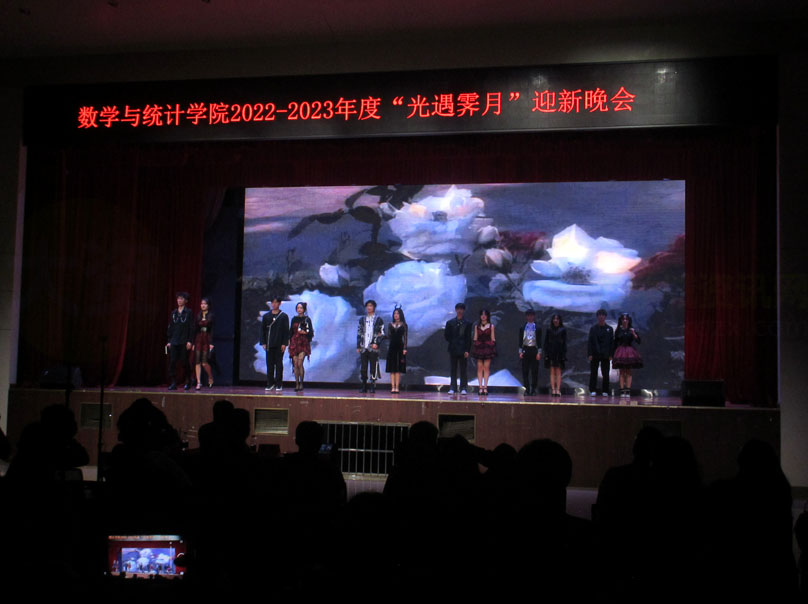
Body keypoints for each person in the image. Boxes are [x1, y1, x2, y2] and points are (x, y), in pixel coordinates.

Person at [260, 296, 289, 393]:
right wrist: (263, 342)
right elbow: (262, 330)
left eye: (276, 302)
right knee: (269, 364)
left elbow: (286, 331)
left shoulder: (283, 316)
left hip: (279, 344)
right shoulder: (266, 316)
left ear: (280, 303)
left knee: (279, 364)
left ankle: (279, 384)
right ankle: (270, 383)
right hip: (269, 343)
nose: (274, 304)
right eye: (272, 302)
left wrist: (284, 343)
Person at [166, 291, 194, 390]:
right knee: (172, 362)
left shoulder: (188, 312)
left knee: (184, 362)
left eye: (181, 299)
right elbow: (171, 327)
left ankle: (189, 380)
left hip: (184, 341)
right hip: (174, 341)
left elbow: (191, 327)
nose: (179, 300)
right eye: (178, 298)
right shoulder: (174, 313)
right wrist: (169, 341)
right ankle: (173, 382)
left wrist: (190, 341)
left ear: (185, 301)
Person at [357, 299, 384, 393]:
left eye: (371, 306)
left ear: (374, 307)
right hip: (364, 346)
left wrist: (376, 343)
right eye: (368, 306)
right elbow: (359, 332)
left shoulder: (378, 320)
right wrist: (358, 345)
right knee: (363, 367)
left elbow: (382, 333)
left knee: (373, 367)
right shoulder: (362, 319)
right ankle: (364, 385)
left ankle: (372, 385)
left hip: (373, 347)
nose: (369, 307)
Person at [444, 302, 472, 395]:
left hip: (463, 349)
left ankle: (463, 387)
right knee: (453, 369)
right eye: (458, 309)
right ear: (456, 310)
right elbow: (447, 336)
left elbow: (468, 338)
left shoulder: (468, 323)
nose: (460, 311)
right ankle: (453, 387)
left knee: (463, 369)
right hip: (453, 349)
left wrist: (467, 350)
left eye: (461, 309)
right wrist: (453, 342)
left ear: (464, 311)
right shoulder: (450, 323)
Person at [612, 313, 642, 398]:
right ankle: (622, 390)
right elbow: (615, 342)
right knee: (621, 371)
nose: (625, 320)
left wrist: (634, 334)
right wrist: (613, 353)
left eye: (626, 319)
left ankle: (628, 390)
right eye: (623, 319)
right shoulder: (618, 330)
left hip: (629, 351)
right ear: (621, 320)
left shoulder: (632, 330)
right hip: (620, 351)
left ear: (629, 320)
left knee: (628, 371)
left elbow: (639, 341)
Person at [588, 308, 614, 397]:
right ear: (597, 317)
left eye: (603, 315)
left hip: (605, 354)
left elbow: (611, 343)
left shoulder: (609, 329)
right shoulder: (593, 329)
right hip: (595, 353)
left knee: (606, 373)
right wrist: (590, 354)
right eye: (599, 315)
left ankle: (605, 390)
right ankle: (592, 390)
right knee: (593, 372)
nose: (601, 317)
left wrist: (611, 354)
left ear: (605, 317)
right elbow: (590, 342)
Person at [289, 301, 314, 391]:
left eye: (301, 308)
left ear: (304, 309)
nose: (299, 309)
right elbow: (291, 331)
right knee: (295, 364)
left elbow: (310, 332)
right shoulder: (294, 319)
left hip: (303, 343)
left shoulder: (307, 319)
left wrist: (305, 333)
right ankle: (296, 383)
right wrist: (289, 342)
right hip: (294, 342)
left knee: (300, 363)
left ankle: (301, 383)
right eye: (298, 308)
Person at [471, 308, 496, 395]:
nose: (483, 316)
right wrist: (476, 345)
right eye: (482, 314)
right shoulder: (477, 326)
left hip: (488, 348)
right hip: (479, 348)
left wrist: (491, 347)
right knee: (479, 368)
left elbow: (493, 338)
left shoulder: (491, 326)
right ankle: (480, 387)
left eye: (485, 314)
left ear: (488, 316)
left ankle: (485, 387)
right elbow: (475, 338)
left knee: (486, 368)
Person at [518, 309, 542, 396]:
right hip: (525, 349)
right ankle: (527, 389)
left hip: (534, 350)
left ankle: (533, 389)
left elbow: (540, 341)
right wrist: (520, 352)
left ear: (534, 316)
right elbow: (520, 341)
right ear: (526, 317)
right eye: (528, 315)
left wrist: (539, 352)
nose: (530, 317)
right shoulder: (523, 327)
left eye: (531, 315)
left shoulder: (538, 328)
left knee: (534, 371)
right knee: (525, 371)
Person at [193, 297, 214, 390]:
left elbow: (212, 330)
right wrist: (193, 342)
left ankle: (210, 376)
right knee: (197, 361)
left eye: (205, 304)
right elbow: (195, 329)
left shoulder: (211, 315)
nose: (203, 305)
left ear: (208, 305)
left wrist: (211, 343)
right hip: (199, 339)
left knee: (204, 362)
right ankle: (198, 382)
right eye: (202, 304)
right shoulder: (198, 315)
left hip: (207, 339)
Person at [544, 313, 567, 397]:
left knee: (558, 371)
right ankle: (553, 389)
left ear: (559, 320)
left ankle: (558, 389)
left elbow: (564, 343)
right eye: (554, 319)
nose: (555, 320)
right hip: (551, 352)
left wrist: (564, 354)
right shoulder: (549, 329)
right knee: (552, 371)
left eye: (557, 319)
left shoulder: (563, 330)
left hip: (559, 353)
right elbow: (546, 342)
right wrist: (546, 353)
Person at [386, 306, 408, 394]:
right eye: (394, 313)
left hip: (400, 347)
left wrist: (405, 348)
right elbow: (389, 336)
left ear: (400, 315)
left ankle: (397, 387)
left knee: (398, 368)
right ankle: (392, 387)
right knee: (392, 368)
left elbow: (405, 337)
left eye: (397, 313)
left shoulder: (404, 325)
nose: (396, 315)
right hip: (392, 347)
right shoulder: (390, 324)